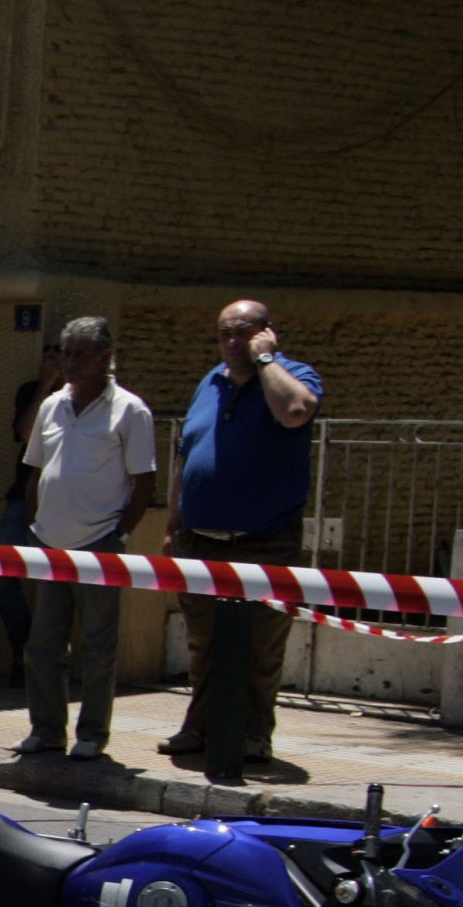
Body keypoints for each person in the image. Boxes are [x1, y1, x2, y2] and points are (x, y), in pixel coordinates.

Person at [159, 299, 323, 771]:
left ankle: (254, 733)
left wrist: (266, 360)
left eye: (243, 332)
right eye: (224, 333)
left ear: (266, 333)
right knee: (202, 643)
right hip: (200, 539)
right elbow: (186, 457)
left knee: (261, 646)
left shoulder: (292, 376)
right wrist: (173, 526)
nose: (232, 342)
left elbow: (295, 412)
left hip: (265, 542)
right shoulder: (209, 383)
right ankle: (199, 726)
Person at [15, 316, 157, 761]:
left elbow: (145, 481)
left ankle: (92, 734)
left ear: (104, 357)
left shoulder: (129, 410)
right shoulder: (52, 405)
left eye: (78, 354)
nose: (68, 362)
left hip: (100, 543)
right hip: (49, 543)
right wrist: (33, 525)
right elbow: (35, 469)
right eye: (63, 352)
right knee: (43, 643)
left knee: (98, 644)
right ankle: (46, 730)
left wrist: (120, 534)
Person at [0, 343, 68, 689]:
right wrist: (44, 384)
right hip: (23, 497)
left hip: (66, 503)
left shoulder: (83, 398)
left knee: (54, 584)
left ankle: (45, 661)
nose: (55, 360)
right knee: (0, 571)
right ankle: (23, 644)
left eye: (62, 354)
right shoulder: (31, 392)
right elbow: (24, 432)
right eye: (49, 352)